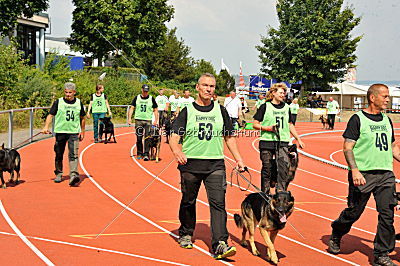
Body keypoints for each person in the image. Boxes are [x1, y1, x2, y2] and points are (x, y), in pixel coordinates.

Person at [169, 73, 245, 259]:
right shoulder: (188, 111)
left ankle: (220, 242)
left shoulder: (221, 111)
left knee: (218, 204)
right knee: (188, 200)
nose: (208, 89)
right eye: (205, 85)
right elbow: (174, 136)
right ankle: (186, 232)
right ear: (197, 87)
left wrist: (239, 159)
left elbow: (229, 137)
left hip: (215, 164)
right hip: (191, 164)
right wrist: (177, 151)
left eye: (212, 86)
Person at [328, 84, 399, 266]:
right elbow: (347, 147)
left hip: (385, 175)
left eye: (388, 96)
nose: (387, 99)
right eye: (384, 96)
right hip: (363, 174)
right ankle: (337, 231)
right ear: (372, 98)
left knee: (387, 214)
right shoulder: (357, 119)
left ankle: (381, 254)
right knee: (354, 212)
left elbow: (393, 147)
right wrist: (355, 170)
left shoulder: (386, 120)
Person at [253, 83, 305, 193]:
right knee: (267, 168)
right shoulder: (265, 106)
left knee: (283, 167)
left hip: (282, 141)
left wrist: (298, 138)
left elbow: (290, 124)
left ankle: (280, 193)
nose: (283, 95)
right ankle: (265, 194)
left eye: (284, 93)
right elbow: (255, 124)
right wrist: (267, 128)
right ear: (273, 93)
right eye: (280, 93)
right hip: (267, 141)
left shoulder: (287, 107)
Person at [42, 82, 86, 186]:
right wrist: (46, 126)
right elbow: (50, 115)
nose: (68, 94)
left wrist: (82, 131)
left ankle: (73, 175)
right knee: (59, 154)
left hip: (73, 132)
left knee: (73, 154)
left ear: (74, 92)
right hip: (60, 132)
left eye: (70, 92)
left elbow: (82, 118)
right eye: (66, 92)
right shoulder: (58, 102)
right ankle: (59, 173)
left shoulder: (79, 103)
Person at [127, 84, 158, 161]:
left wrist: (156, 120)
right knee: (139, 137)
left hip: (148, 120)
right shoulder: (137, 98)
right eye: (144, 91)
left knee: (147, 138)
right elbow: (132, 108)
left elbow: (155, 109)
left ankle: (146, 154)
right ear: (142, 90)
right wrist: (129, 118)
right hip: (138, 120)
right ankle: (140, 153)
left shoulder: (151, 98)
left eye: (146, 91)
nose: (145, 93)